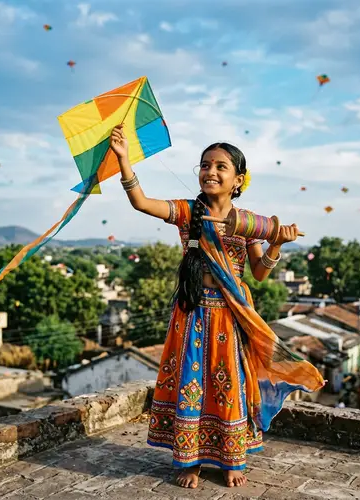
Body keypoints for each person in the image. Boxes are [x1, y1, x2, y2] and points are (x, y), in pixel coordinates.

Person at [110, 124, 325, 489]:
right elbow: (142, 203)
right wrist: (124, 160)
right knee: (192, 384)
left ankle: (230, 459)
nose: (210, 171)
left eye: (220, 166)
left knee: (229, 384)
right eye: (205, 165)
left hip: (230, 315)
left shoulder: (249, 223)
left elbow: (258, 273)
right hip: (192, 313)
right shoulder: (187, 213)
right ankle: (189, 460)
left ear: (238, 179)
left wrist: (276, 244)